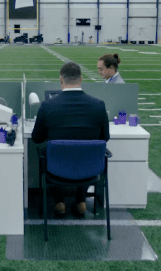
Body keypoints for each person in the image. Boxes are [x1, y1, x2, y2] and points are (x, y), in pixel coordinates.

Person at [32, 61, 110, 216]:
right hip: (89, 169)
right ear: (81, 79)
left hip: (57, 170)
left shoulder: (47, 106)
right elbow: (104, 138)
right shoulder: (99, 105)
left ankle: (60, 202)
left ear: (61, 79)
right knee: (83, 149)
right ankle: (81, 201)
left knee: (53, 151)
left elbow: (36, 138)